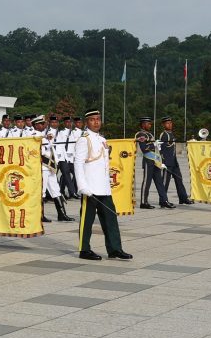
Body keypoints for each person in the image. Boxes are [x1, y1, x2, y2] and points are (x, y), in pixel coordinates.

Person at [73, 110, 132, 261]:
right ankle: (84, 249)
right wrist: (82, 186)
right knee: (87, 221)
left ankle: (115, 249)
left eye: (98, 119)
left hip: (104, 188)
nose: (96, 122)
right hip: (90, 188)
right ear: (87, 122)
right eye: (92, 120)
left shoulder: (102, 139)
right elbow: (78, 164)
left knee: (110, 219)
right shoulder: (84, 140)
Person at [135, 117, 174, 209]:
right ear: (143, 124)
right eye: (148, 123)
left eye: (150, 123)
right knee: (146, 182)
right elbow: (144, 149)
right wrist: (154, 144)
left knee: (159, 182)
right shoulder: (141, 134)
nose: (150, 125)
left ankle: (164, 201)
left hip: (155, 161)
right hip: (148, 161)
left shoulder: (149, 134)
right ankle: (144, 202)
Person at [159, 117, 193, 205]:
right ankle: (163, 200)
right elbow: (160, 149)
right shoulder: (164, 135)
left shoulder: (171, 134)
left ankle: (183, 198)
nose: (170, 124)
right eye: (167, 123)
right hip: (167, 162)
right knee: (165, 182)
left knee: (179, 180)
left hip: (174, 162)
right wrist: (162, 162)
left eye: (170, 123)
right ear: (163, 125)